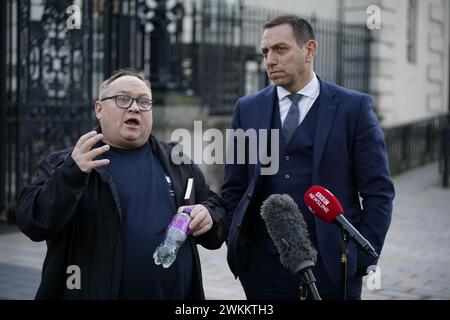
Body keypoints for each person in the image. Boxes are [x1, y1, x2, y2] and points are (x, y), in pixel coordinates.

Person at [221, 15, 395, 300]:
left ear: (310, 50)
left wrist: (360, 259)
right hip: (263, 268)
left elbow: (379, 192)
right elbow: (234, 188)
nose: (270, 60)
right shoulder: (247, 109)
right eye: (265, 52)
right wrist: (240, 250)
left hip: (331, 265)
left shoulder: (354, 108)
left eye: (280, 49)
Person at [15, 69, 226, 299]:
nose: (135, 108)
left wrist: (208, 215)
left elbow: (215, 212)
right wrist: (72, 174)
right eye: (122, 99)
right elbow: (32, 221)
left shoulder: (178, 163)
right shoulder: (66, 163)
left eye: (144, 102)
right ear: (99, 109)